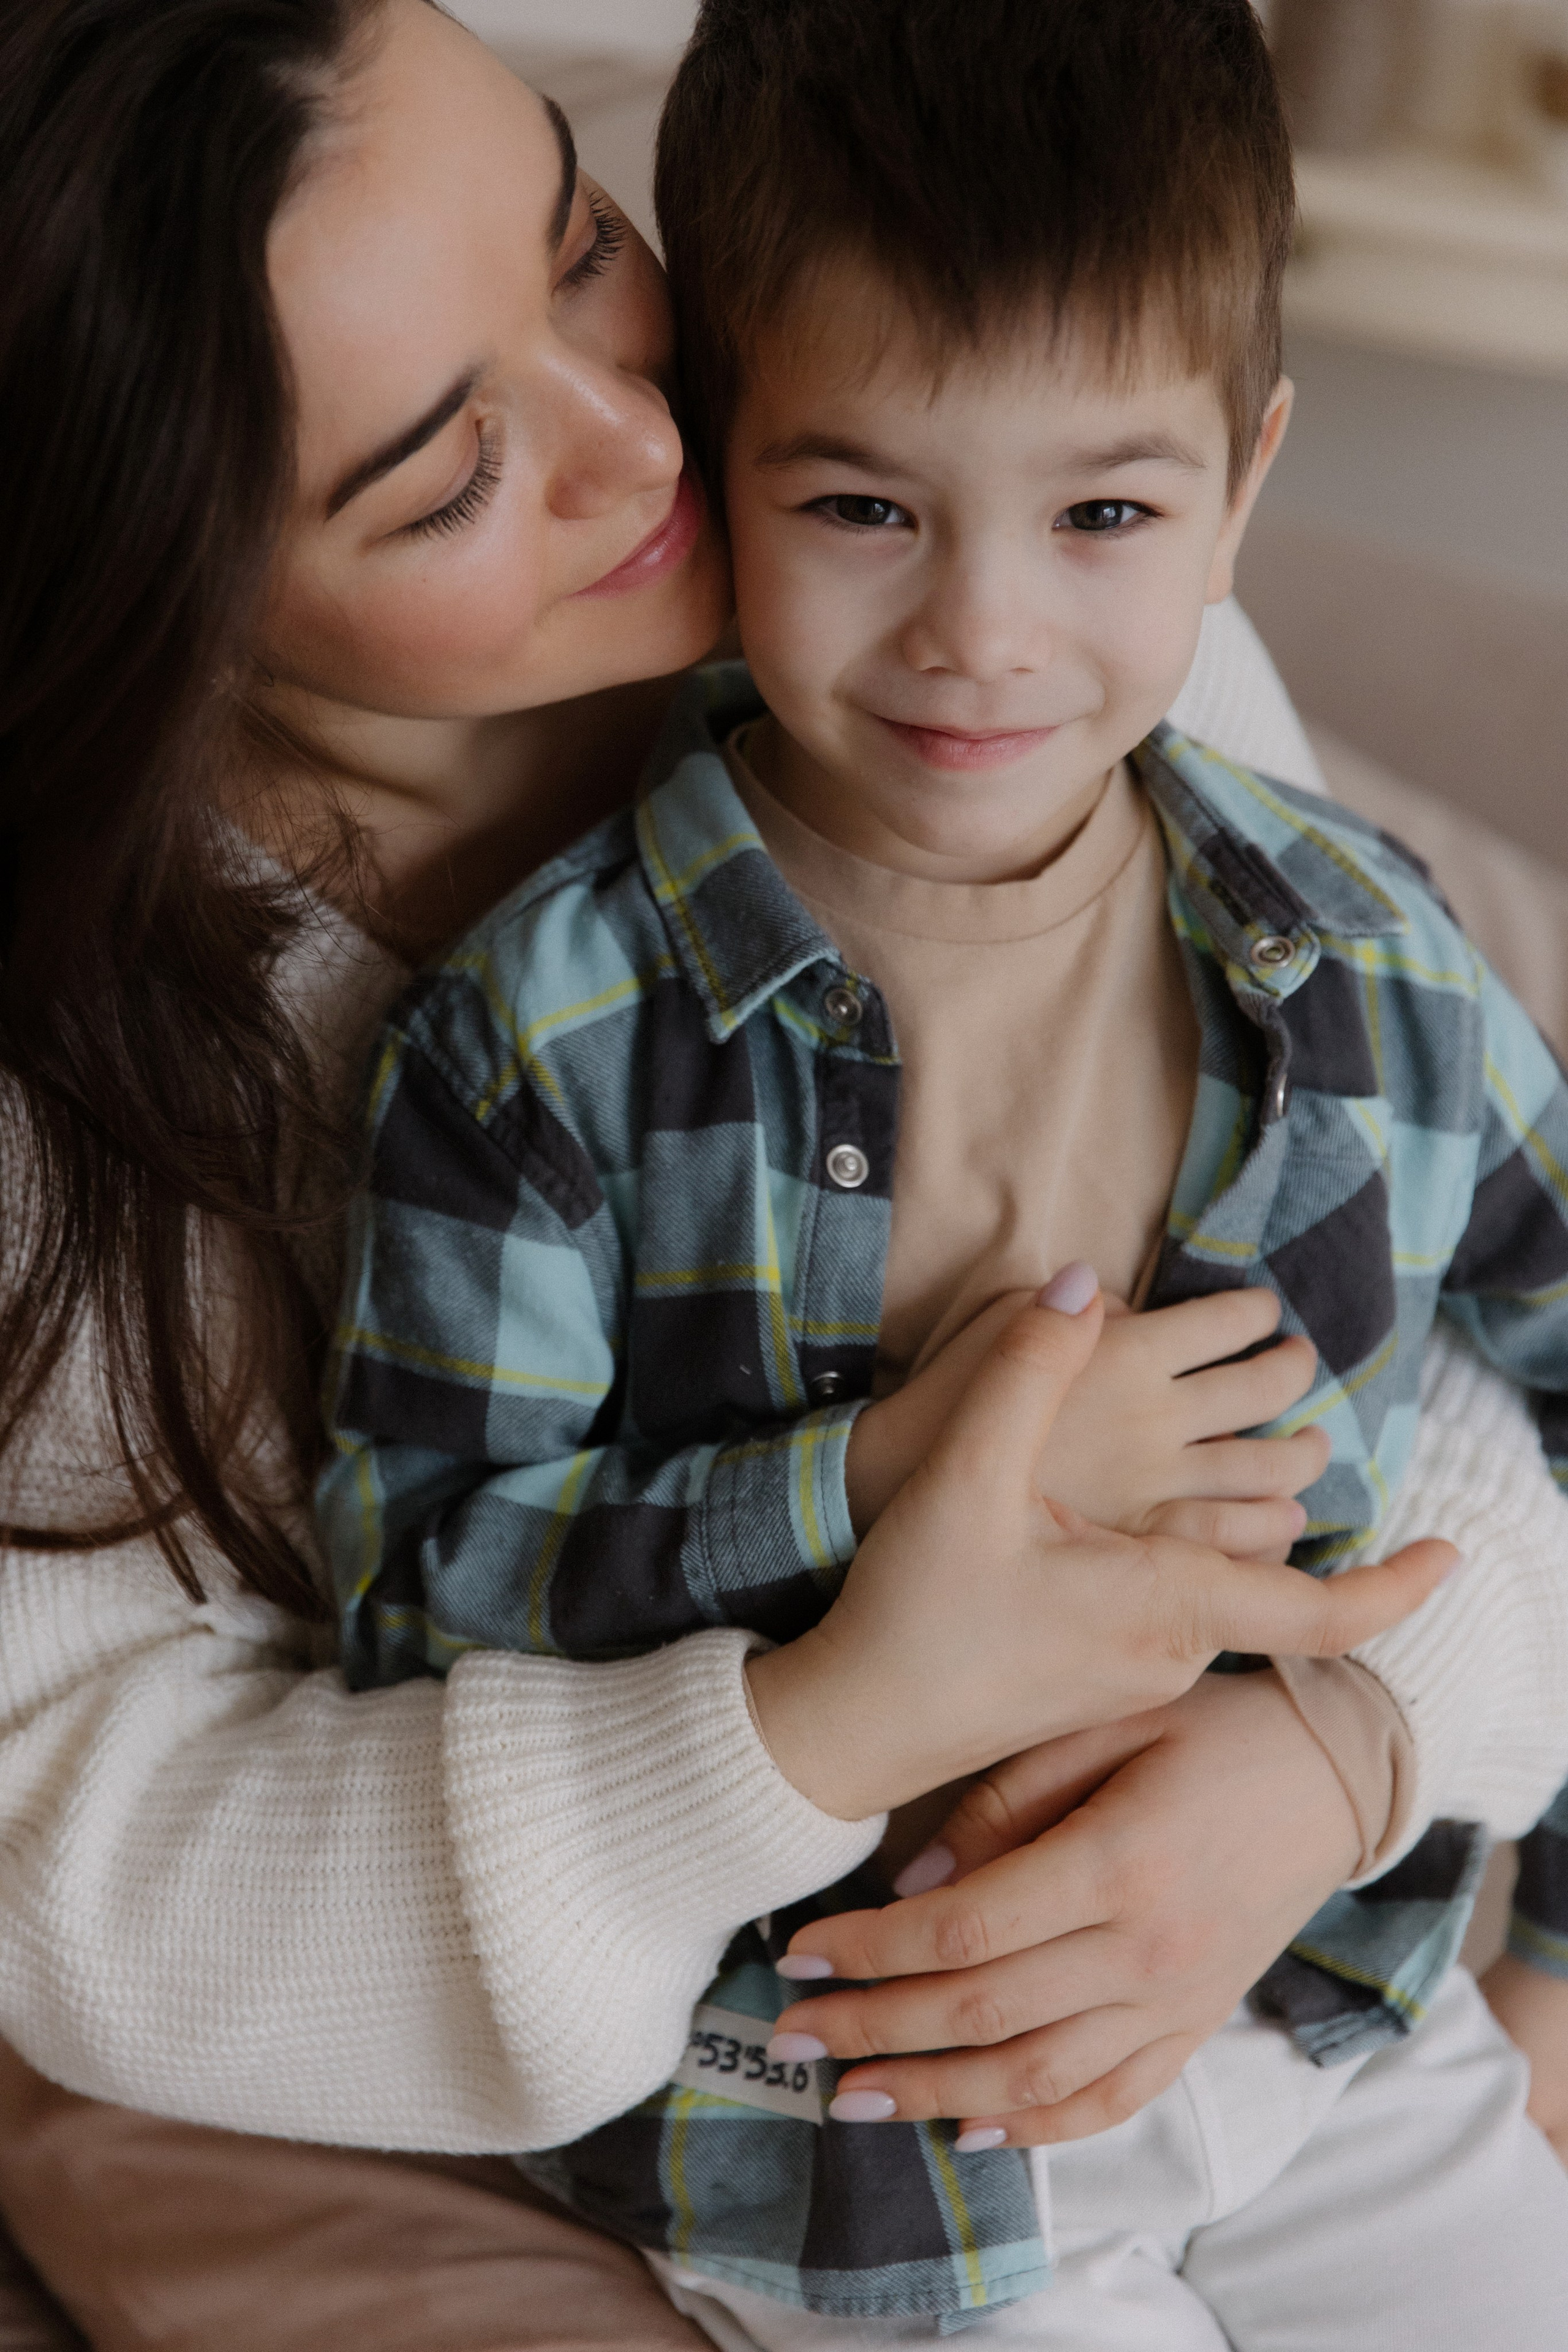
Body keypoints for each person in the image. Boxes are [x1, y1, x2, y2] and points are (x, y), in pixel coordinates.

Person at [0, 2, 1560, 2347]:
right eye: (443, 477)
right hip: (502, 2027)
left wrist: (1350, 1746)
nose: (655, 437)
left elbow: (1425, 1291)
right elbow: (101, 1889)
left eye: (581, 242)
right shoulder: (318, 1068)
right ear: (165, 589)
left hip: (1260, 1938)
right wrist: (847, 1671)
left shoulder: (1018, 611)